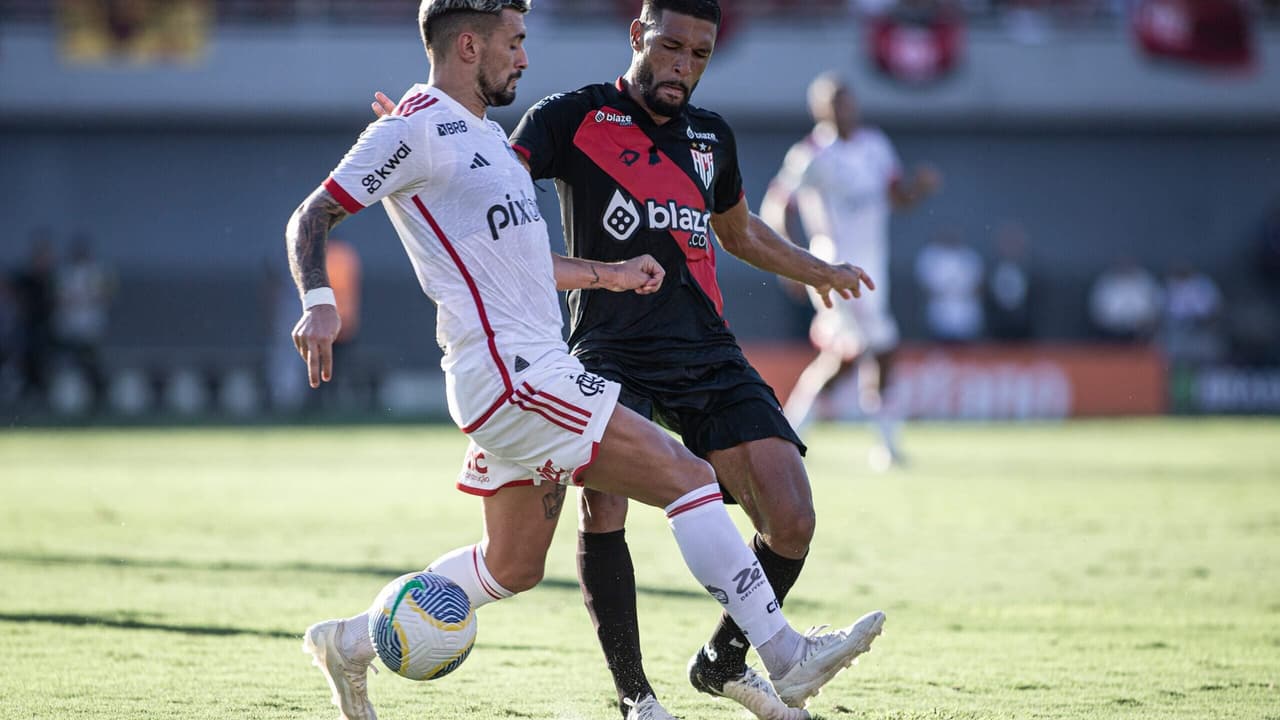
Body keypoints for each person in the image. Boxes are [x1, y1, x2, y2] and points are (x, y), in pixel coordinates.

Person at [294, 4, 884, 720]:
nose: (526, 57)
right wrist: (319, 299)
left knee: (510, 566)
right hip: (516, 375)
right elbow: (313, 213)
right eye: (514, 42)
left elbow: (518, 262)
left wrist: (609, 274)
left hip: (525, 369)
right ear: (470, 44)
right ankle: (782, 655)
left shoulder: (479, 135)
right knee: (688, 478)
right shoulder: (416, 128)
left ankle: (348, 642)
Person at [760, 72, 939, 468]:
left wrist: (919, 188)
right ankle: (796, 440)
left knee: (870, 354)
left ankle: (876, 445)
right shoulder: (810, 154)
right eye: (834, 102)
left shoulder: (875, 146)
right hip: (832, 267)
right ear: (819, 109)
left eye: (847, 100)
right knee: (861, 350)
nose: (843, 108)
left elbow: (899, 198)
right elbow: (777, 207)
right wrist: (790, 263)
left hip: (873, 268)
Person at [914, 227, 984, 342]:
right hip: (939, 316)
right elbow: (926, 288)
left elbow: (979, 286)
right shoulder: (931, 256)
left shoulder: (970, 257)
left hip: (966, 317)